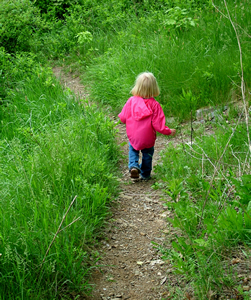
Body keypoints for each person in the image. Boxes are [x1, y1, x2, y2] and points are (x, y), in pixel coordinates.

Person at [118, 72, 176, 180]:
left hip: (133, 135)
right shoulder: (155, 105)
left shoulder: (131, 101)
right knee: (147, 154)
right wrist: (168, 131)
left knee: (133, 149)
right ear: (154, 88)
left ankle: (133, 166)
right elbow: (158, 125)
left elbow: (123, 118)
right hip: (148, 137)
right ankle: (145, 173)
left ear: (137, 86)